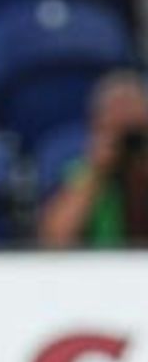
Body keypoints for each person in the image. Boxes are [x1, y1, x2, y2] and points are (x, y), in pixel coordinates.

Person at [37, 70, 148, 248]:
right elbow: (54, 240)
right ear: (97, 128)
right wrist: (96, 172)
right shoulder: (80, 172)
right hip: (100, 270)